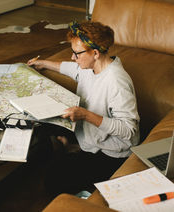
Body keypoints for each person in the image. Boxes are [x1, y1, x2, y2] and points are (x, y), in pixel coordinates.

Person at [27, 20, 140, 196]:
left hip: (110, 153)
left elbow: (128, 130)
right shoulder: (90, 66)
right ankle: (69, 148)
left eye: (77, 54)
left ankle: (73, 153)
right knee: (39, 122)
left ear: (95, 53)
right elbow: (72, 69)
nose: (73, 57)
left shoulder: (116, 82)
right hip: (89, 134)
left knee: (52, 181)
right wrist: (44, 63)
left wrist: (86, 115)